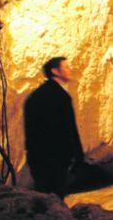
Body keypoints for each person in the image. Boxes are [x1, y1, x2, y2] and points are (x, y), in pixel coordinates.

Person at [24, 57, 84, 197]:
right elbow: (68, 128)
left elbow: (31, 130)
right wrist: (77, 153)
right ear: (55, 71)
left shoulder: (35, 96)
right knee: (57, 195)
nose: (70, 70)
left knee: (45, 198)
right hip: (57, 157)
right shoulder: (60, 96)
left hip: (38, 157)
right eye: (66, 67)